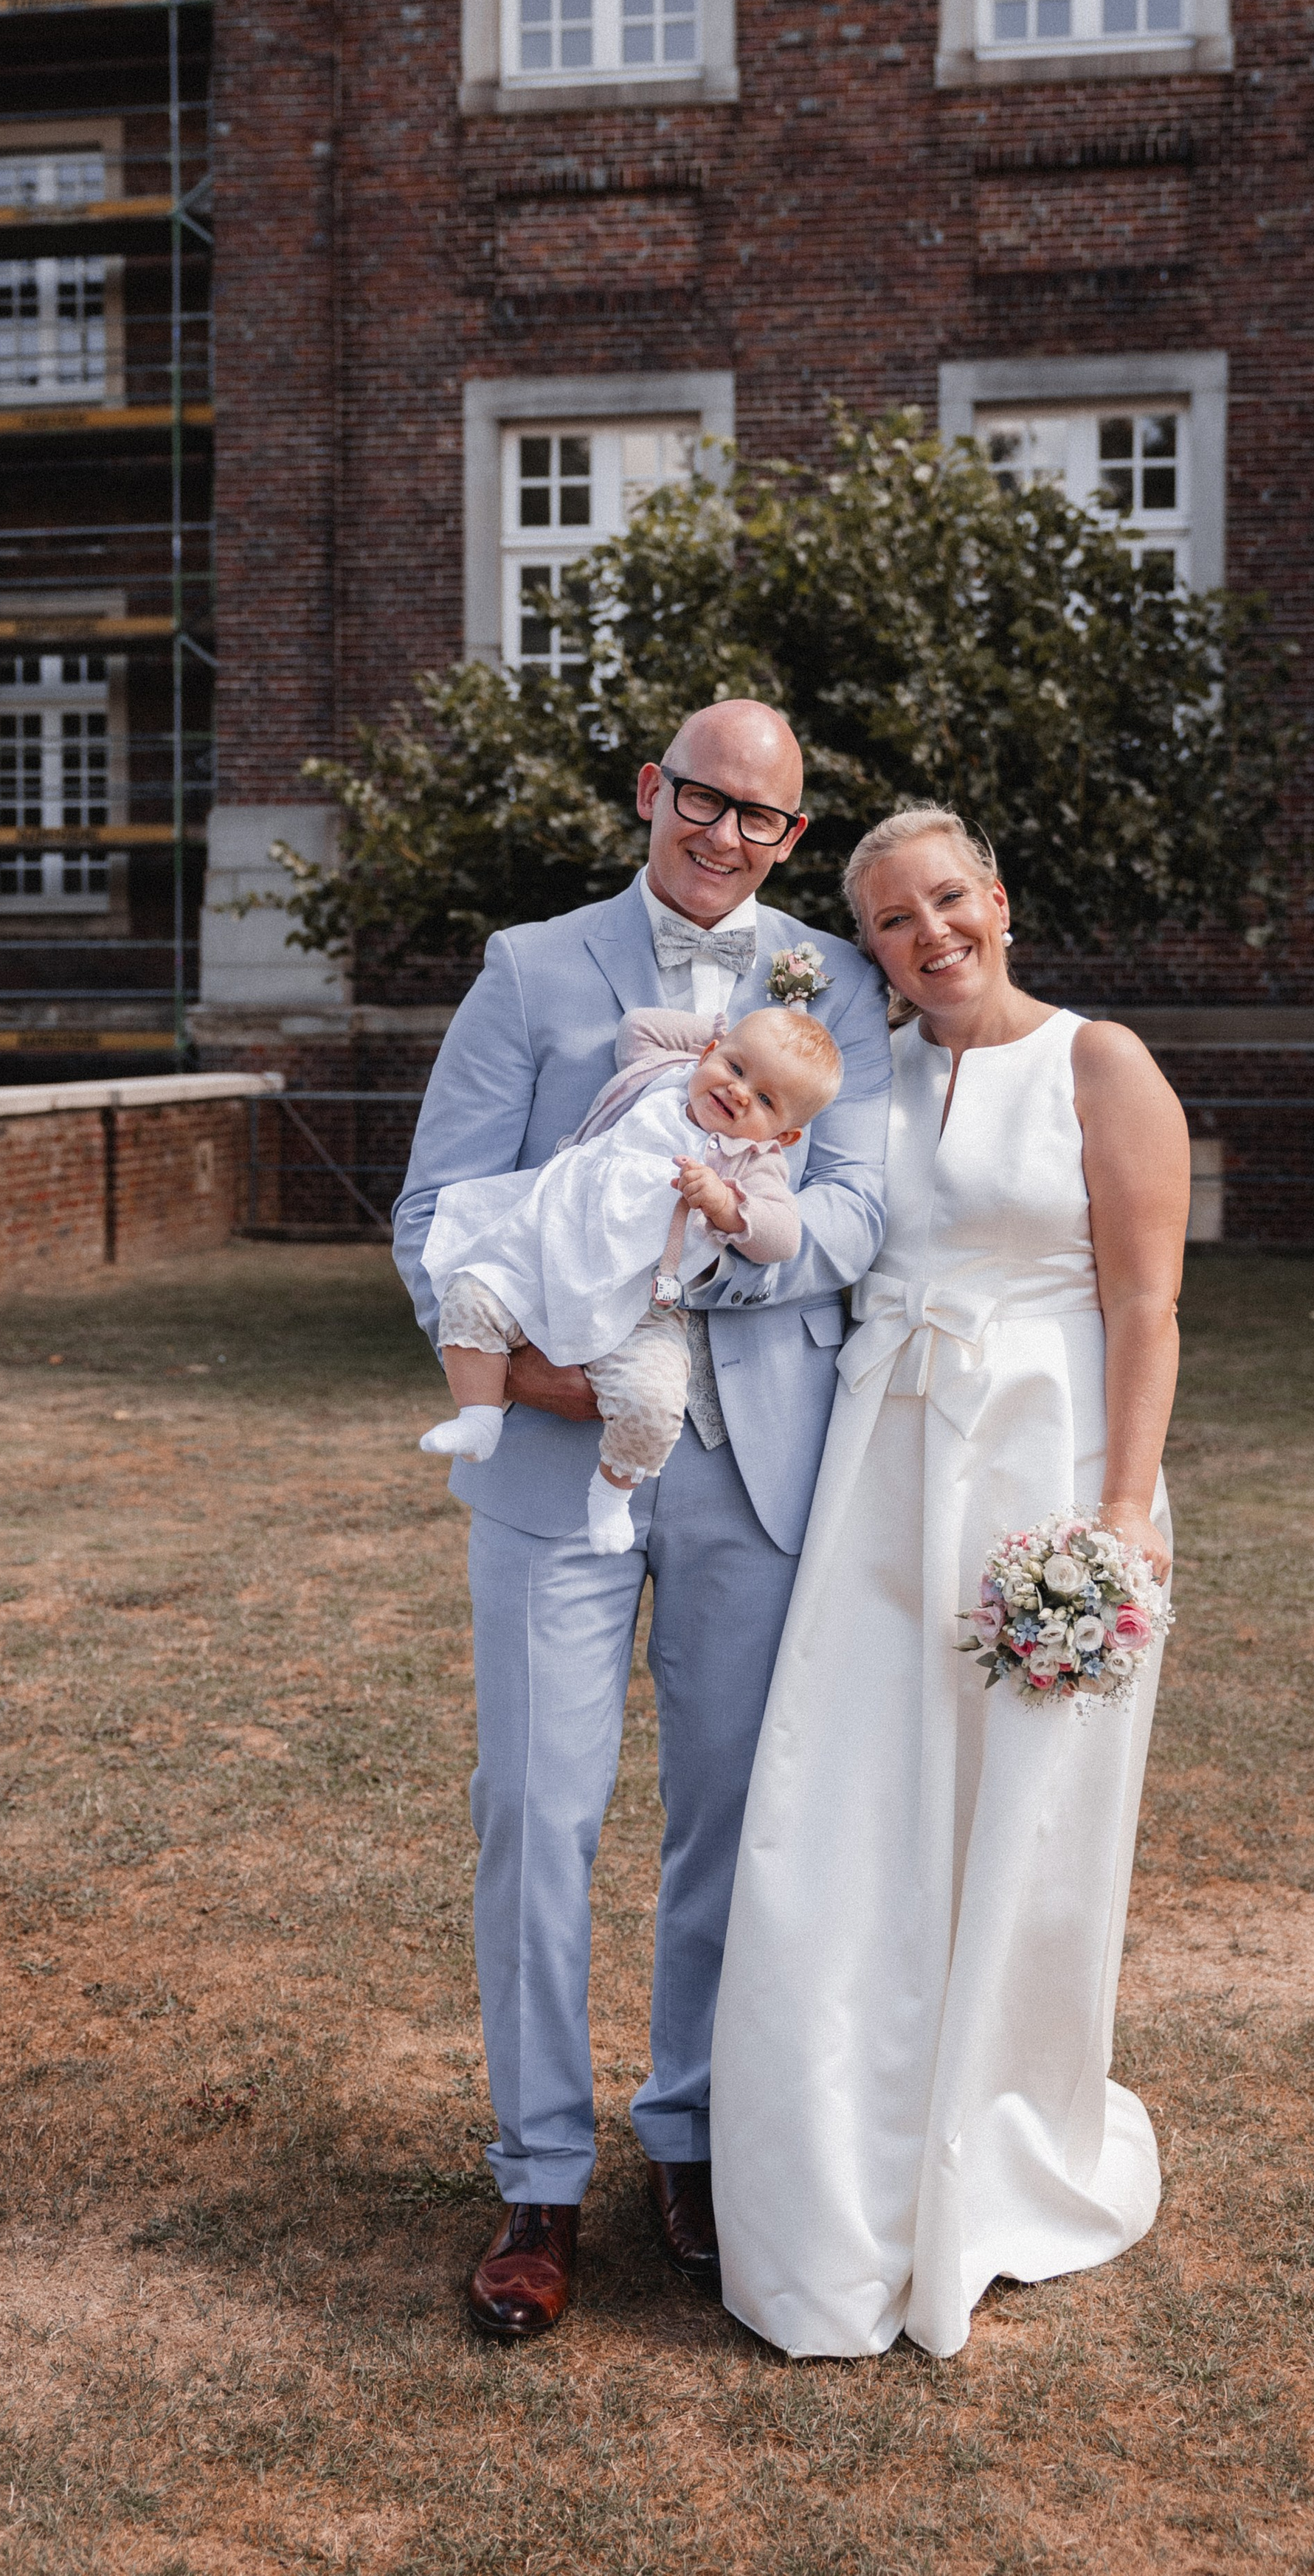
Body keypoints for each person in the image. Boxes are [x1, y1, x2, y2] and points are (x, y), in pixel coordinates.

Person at [391, 701, 891, 2341]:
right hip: (550, 1446)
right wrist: (541, 1378)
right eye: (701, 797)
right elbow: (431, 1209)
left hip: (753, 1460)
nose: (723, 833)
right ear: (648, 791)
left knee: (728, 1820)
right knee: (535, 1810)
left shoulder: (839, 981)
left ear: (791, 839)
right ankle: (538, 2174)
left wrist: (747, 1229)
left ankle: (685, 2135)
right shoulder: (531, 970)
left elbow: (859, 1211)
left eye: (760, 817)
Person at [710, 805, 1190, 2360]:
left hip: (1037, 1479)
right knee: (841, 1809)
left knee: (1020, 1822)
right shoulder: (858, 1080)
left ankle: (998, 2143)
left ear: (997, 898)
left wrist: (1117, 1514)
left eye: (946, 902)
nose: (928, 937)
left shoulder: (1097, 1065)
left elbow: (1143, 1300)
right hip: (876, 1476)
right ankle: (832, 2156)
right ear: (867, 949)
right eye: (891, 923)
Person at [418, 1004, 843, 1554]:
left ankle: (611, 1493)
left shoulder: (751, 1161)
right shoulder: (659, 1079)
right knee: (471, 1293)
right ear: (709, 1055)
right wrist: (723, 1034)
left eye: (765, 1100)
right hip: (546, 1260)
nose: (740, 1094)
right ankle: (478, 1416)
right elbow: (638, 1026)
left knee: (654, 1400)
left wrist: (727, 1205)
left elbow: (784, 1237)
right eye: (737, 1069)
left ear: (784, 1136)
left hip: (641, 1305)